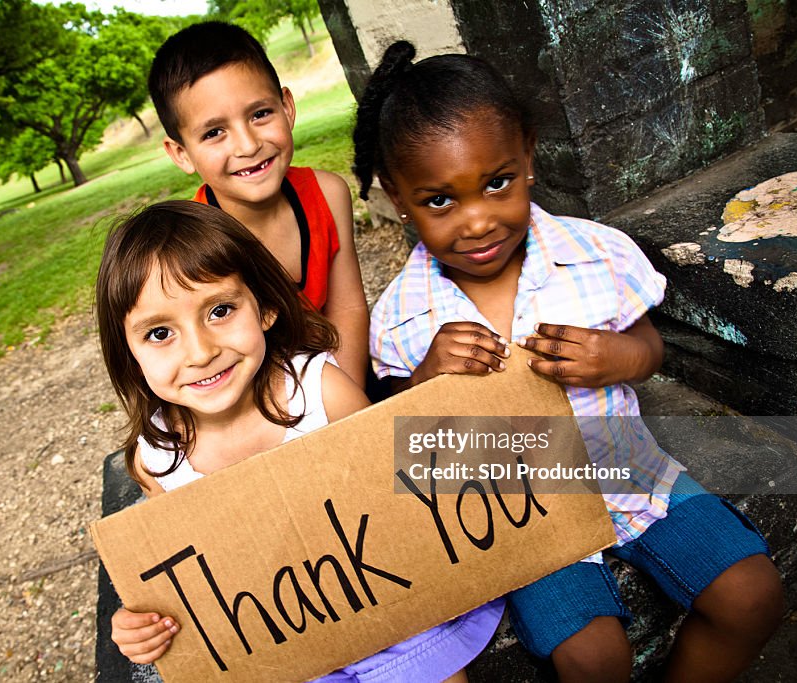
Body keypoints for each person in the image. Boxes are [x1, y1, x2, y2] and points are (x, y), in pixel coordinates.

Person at [354, 41, 783, 683]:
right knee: (591, 656)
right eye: (439, 201)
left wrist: (618, 357)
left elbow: (650, 350)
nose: (476, 222)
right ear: (395, 195)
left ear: (527, 155)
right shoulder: (402, 319)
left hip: (635, 475)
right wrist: (426, 384)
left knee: (753, 594)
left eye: (497, 183)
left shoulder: (596, 254)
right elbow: (405, 443)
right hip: (525, 519)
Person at [95, 200, 504, 682]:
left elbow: (405, 495)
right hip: (280, 650)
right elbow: (183, 583)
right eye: (160, 333)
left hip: (392, 616)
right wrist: (142, 624)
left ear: (265, 307)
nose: (201, 351)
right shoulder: (158, 459)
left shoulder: (321, 392)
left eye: (220, 310)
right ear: (129, 352)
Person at [147, 21, 370, 389]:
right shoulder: (193, 245)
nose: (248, 145)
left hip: (337, 381)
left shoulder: (328, 194)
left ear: (287, 107)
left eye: (260, 114)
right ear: (182, 154)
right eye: (214, 132)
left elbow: (347, 311)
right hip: (252, 398)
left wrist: (346, 408)